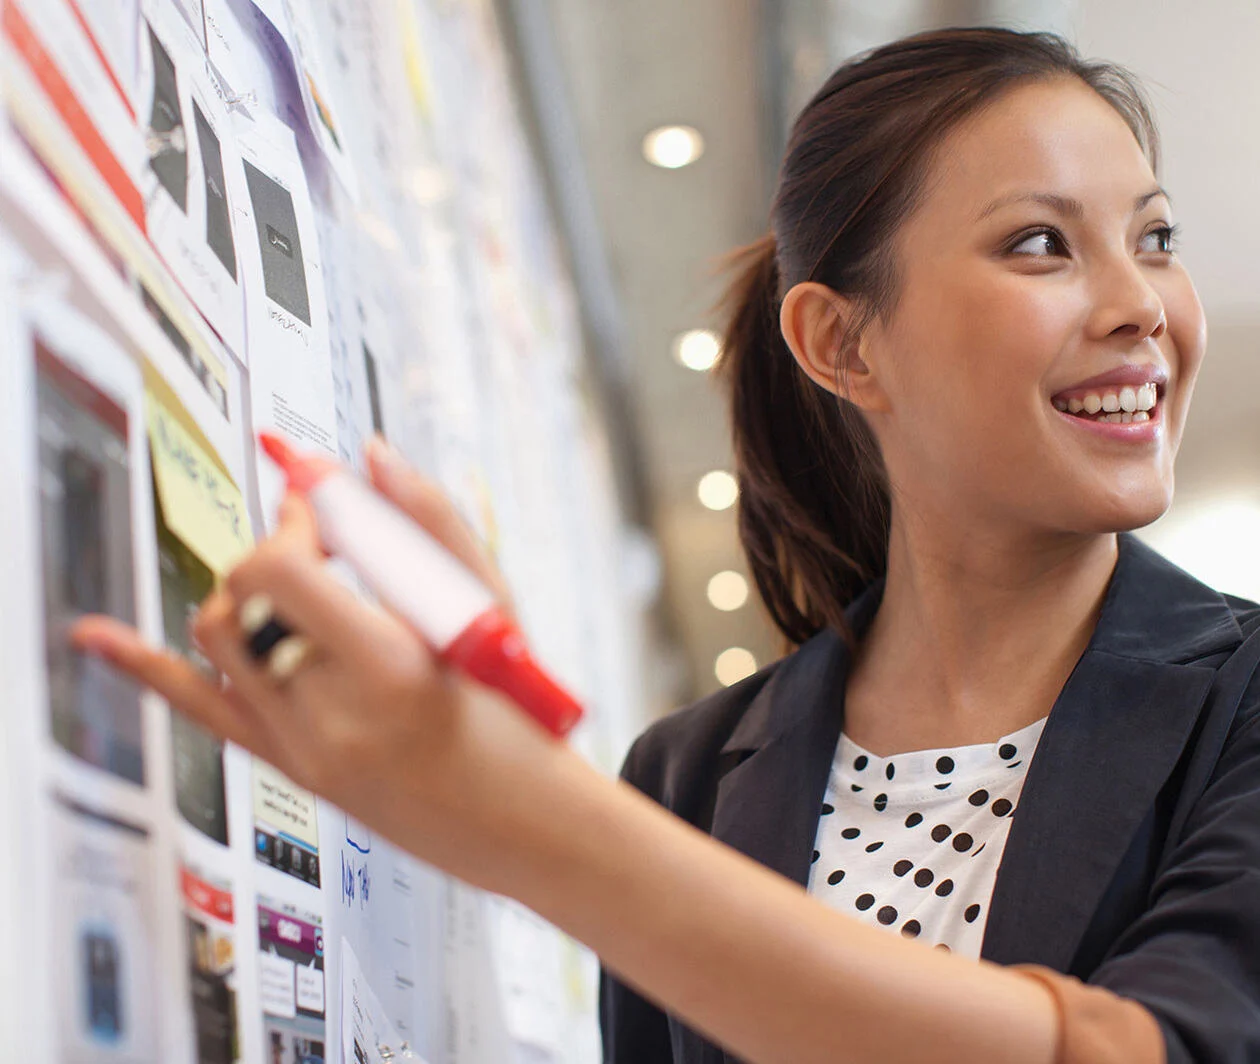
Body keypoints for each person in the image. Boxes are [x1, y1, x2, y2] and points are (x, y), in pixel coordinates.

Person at [72, 27, 1260, 1064]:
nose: (1141, 303)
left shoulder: (1239, 705)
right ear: (841, 345)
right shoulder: (690, 774)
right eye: (1042, 245)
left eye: (1155, 238)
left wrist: (536, 820)